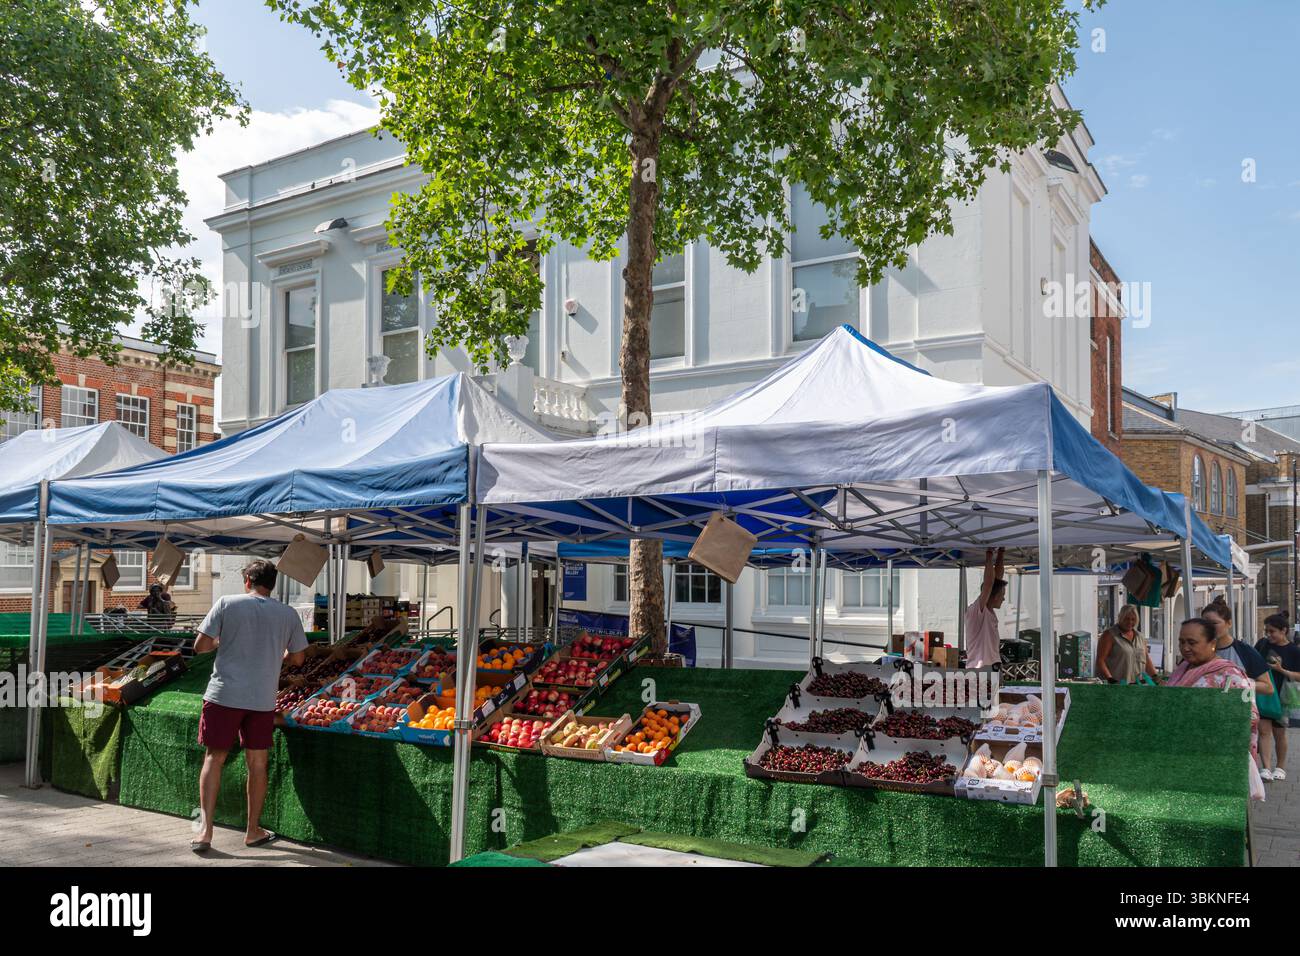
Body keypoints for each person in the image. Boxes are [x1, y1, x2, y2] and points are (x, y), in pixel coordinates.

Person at [190, 559, 308, 853]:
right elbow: (299, 659)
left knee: (213, 759)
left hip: (223, 695)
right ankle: (253, 830)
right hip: (261, 698)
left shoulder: (226, 603)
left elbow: (200, 646)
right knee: (257, 764)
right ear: (272, 584)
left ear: (247, 580)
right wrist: (275, 653)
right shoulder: (288, 613)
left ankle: (205, 831)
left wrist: (222, 642)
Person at [1167, 617, 1264, 801]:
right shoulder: (1183, 669)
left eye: (1192, 642)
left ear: (1212, 644)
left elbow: (1249, 716)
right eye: (1181, 642)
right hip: (1181, 760)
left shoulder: (1230, 675)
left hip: (1215, 765)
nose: (1185, 647)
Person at [1255, 611, 1300, 781]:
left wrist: (1282, 670)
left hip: (1284, 697)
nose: (1268, 635)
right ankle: (1266, 768)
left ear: (1284, 631)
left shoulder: (1294, 651)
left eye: (1272, 631)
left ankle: (1280, 767)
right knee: (1263, 730)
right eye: (1266, 631)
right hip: (1265, 693)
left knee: (1279, 733)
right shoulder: (1262, 645)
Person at [1201, 596, 1272, 700]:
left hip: (1238, 710)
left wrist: (1240, 683)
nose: (1209, 627)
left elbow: (1268, 687)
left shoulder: (1245, 651)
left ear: (1229, 623)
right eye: (1204, 624)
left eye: (1214, 623)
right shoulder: (1198, 650)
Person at [1095, 603, 1158, 684]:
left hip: (1137, 686)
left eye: (1133, 619)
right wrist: (1110, 679)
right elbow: (1100, 661)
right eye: (1126, 619)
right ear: (1120, 618)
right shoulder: (1109, 635)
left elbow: (1146, 659)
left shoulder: (1140, 637)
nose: (1130, 622)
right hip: (1116, 686)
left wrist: (1155, 677)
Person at [964, 547, 1006, 669]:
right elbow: (988, 585)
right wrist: (989, 554)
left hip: (992, 669)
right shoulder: (977, 611)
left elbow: (997, 580)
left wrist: (1001, 553)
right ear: (993, 597)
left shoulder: (989, 612)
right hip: (979, 671)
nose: (1003, 599)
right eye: (1002, 596)